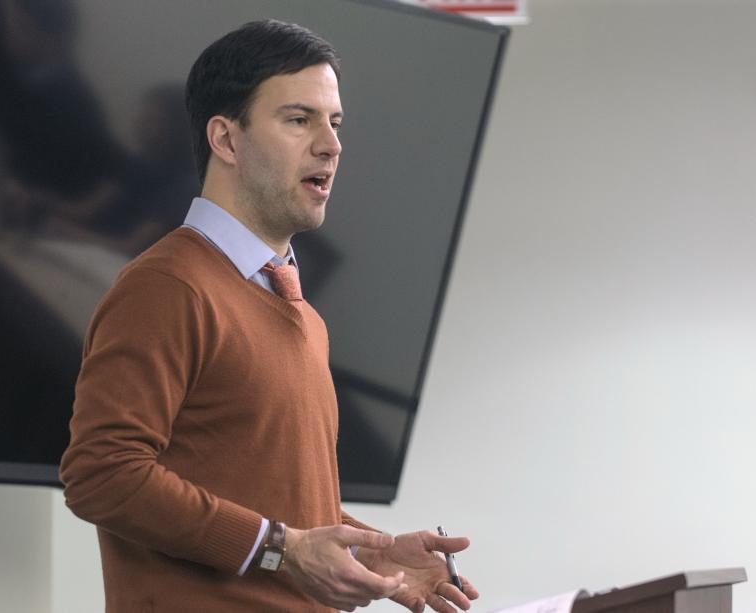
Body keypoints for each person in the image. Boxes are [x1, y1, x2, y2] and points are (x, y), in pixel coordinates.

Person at [59, 19, 479, 613]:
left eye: (335, 123)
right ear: (226, 141)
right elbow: (100, 475)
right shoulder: (165, 286)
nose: (331, 144)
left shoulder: (303, 315)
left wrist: (369, 551)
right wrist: (283, 548)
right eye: (299, 119)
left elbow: (279, 512)